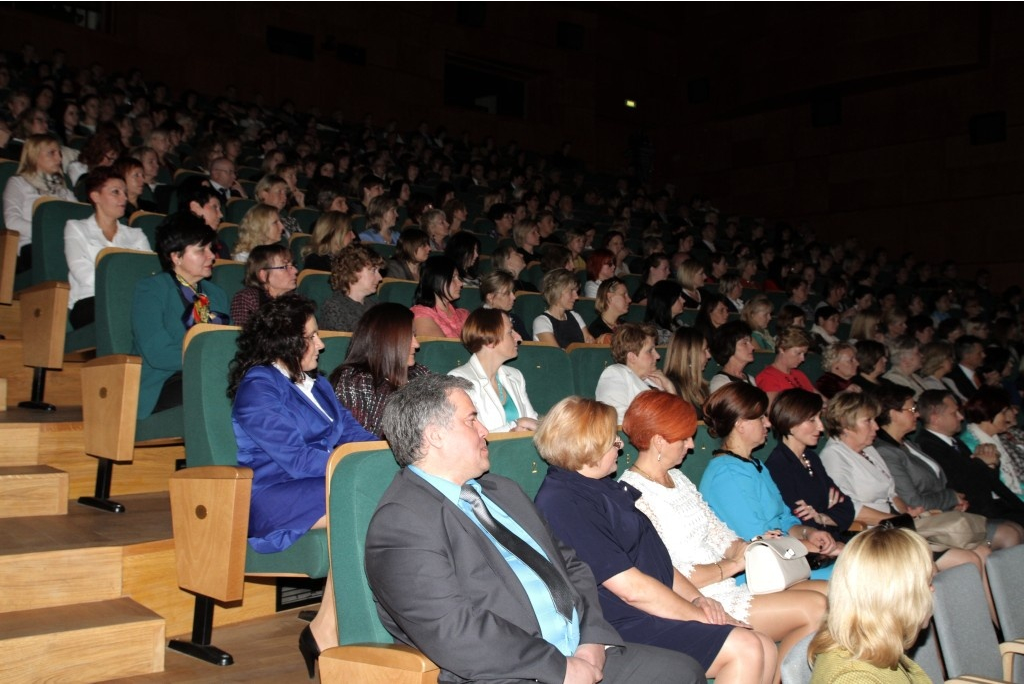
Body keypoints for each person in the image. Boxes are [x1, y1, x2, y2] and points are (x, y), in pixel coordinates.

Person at [366, 375, 706, 684]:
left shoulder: (503, 491)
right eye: (471, 419)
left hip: (580, 652)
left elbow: (572, 566)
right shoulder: (403, 522)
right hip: (516, 673)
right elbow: (453, 631)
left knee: (683, 670)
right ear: (435, 435)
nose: (485, 430)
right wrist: (560, 668)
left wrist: (591, 640)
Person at [533, 395, 777, 683]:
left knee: (764, 645)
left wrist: (699, 599)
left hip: (648, 607)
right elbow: (630, 589)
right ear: (589, 446)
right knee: (746, 647)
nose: (620, 447)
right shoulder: (564, 501)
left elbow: (657, 562)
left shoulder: (602, 488)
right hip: (617, 621)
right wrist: (698, 616)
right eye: (613, 441)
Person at [620, 391, 827, 676]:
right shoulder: (634, 494)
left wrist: (750, 547)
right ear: (658, 441)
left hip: (727, 585)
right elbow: (667, 573)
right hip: (696, 598)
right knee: (815, 608)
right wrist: (731, 565)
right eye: (684, 438)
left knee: (828, 597)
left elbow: (720, 534)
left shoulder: (678, 478)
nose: (692, 445)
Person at [228, 294, 376, 666]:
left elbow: (355, 436)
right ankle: (340, 627)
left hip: (319, 483)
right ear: (286, 342)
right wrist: (354, 470)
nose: (322, 344)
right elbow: (295, 459)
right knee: (364, 500)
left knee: (380, 491)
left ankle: (329, 627)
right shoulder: (258, 387)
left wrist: (397, 454)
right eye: (312, 337)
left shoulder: (319, 385)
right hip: (273, 495)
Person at [699, 383, 840, 578]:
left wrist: (809, 533)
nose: (767, 423)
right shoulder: (727, 474)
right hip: (759, 573)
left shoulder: (755, 465)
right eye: (760, 417)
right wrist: (818, 547)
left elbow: (785, 519)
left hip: (784, 559)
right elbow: (758, 539)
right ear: (740, 424)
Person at [872, 384, 1024, 550]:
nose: (917, 413)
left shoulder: (909, 445)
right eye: (912, 409)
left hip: (953, 511)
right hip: (932, 522)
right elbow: (914, 501)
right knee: (1010, 534)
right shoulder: (888, 452)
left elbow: (946, 482)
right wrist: (952, 498)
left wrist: (955, 499)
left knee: (1014, 529)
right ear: (894, 414)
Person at [132, 212, 229, 419]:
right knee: (223, 390)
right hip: (164, 382)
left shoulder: (217, 294)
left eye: (211, 249)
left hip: (210, 375)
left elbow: (231, 345)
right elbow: (157, 353)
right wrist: (209, 360)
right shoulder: (152, 290)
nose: (211, 256)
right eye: (201, 250)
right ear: (176, 256)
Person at [808, 527, 934, 684]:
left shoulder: (875, 645)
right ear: (899, 596)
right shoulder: (855, 678)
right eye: (927, 583)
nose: (932, 590)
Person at [915, 389, 1024, 527]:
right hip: (975, 512)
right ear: (936, 419)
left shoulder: (954, 442)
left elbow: (987, 478)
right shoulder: (927, 446)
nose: (961, 417)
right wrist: (982, 462)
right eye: (954, 413)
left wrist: (991, 464)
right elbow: (959, 483)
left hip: (994, 505)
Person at [64, 167, 151, 329]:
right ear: (95, 196)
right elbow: (82, 272)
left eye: (124, 192)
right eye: (115, 192)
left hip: (130, 300)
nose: (124, 198)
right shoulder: (76, 228)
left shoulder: (136, 235)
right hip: (90, 301)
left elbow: (146, 272)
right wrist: (123, 287)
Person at [765, 389, 856, 540]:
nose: (821, 427)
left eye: (819, 418)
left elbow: (847, 507)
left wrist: (821, 517)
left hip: (833, 539)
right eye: (812, 420)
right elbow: (799, 521)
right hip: (814, 548)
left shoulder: (811, 458)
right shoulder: (778, 466)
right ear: (790, 423)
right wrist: (828, 512)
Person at [329, 302, 430, 437]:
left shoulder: (419, 373)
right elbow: (358, 445)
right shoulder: (357, 381)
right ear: (389, 341)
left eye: (415, 336)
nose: (416, 344)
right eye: (409, 337)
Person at [448, 308, 539, 433]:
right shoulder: (458, 380)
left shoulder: (515, 376)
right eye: (510, 332)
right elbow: (471, 435)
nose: (518, 337)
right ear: (490, 340)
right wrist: (515, 426)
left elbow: (533, 422)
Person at [3, 133, 76, 272]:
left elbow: (80, 218)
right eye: (51, 153)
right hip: (33, 245)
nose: (59, 158)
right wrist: (49, 232)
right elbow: (12, 221)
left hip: (65, 243)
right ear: (34, 156)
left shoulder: (63, 188)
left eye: (59, 153)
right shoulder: (18, 183)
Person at [596, 323, 675, 424]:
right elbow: (618, 422)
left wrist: (670, 390)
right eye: (650, 351)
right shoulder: (614, 374)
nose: (658, 356)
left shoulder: (655, 381)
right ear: (632, 357)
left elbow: (680, 419)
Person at [959, 386, 1024, 499]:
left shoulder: (995, 437)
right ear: (990, 414)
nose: (1010, 415)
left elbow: (1016, 482)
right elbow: (999, 489)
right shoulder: (970, 444)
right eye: (1004, 412)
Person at [229, 244, 298, 328]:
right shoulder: (247, 298)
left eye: (293, 265)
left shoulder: (295, 300)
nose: (295, 270)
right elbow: (244, 336)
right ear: (264, 275)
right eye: (285, 267)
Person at [320, 244, 384, 333]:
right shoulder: (334, 308)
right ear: (353, 271)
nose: (380, 277)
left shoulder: (375, 306)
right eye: (373, 271)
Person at [411, 255, 471, 338]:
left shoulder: (463, 315)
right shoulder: (420, 313)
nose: (460, 283)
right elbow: (440, 348)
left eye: (458, 277)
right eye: (453, 277)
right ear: (436, 280)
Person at [755, 326, 819, 405]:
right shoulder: (768, 377)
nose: (803, 359)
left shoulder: (799, 374)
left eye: (804, 354)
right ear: (782, 349)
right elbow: (774, 411)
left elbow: (821, 400)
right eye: (798, 353)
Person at [532, 268, 594, 348]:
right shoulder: (541, 322)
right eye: (571, 291)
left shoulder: (575, 316)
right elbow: (558, 355)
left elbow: (590, 345)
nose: (576, 297)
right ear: (556, 291)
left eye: (576, 291)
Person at [663, 327, 711, 419]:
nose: (709, 356)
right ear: (689, 355)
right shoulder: (671, 386)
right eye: (704, 350)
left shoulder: (701, 386)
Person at [708, 321, 757, 392]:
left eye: (750, 342)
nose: (752, 347)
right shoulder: (721, 383)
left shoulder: (750, 379)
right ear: (729, 347)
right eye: (744, 343)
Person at [253, 174, 300, 240]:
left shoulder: (291, 221)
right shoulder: (254, 218)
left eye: (285, 193)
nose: (284, 197)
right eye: (279, 192)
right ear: (264, 194)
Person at [589, 277, 631, 343]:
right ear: (609, 297)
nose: (629, 300)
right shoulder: (596, 330)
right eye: (624, 295)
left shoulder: (626, 325)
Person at [644, 280, 685, 345]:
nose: (683, 300)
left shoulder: (680, 324)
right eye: (678, 298)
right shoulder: (652, 331)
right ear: (667, 301)